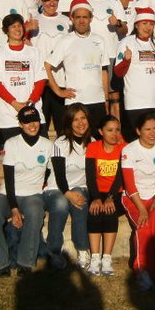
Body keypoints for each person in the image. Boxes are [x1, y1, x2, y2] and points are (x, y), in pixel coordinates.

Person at [0, 106, 50, 276]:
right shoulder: (11, 143)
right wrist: (14, 208)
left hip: (33, 194)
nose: (32, 125)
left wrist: (44, 184)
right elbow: (9, 179)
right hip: (9, 194)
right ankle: (1, 263)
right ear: (20, 124)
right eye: (27, 122)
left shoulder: (48, 145)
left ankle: (25, 262)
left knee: (35, 211)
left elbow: (51, 171)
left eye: (35, 121)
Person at [121, 112, 155, 291]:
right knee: (144, 224)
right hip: (134, 197)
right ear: (138, 131)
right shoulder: (129, 150)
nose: (152, 133)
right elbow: (129, 184)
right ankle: (142, 271)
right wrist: (142, 209)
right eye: (147, 129)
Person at [45, 0, 110, 131]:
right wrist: (59, 91)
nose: (81, 21)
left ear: (91, 18)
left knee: (98, 140)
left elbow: (103, 71)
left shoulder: (100, 40)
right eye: (78, 17)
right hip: (75, 103)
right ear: (72, 19)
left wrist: (106, 99)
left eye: (85, 17)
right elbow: (46, 66)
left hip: (98, 101)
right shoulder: (65, 41)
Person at [42, 103, 93, 270]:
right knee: (61, 204)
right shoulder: (60, 142)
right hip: (56, 188)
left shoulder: (93, 143)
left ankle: (83, 249)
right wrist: (67, 193)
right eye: (75, 119)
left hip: (80, 187)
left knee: (80, 199)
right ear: (69, 122)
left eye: (83, 118)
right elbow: (59, 175)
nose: (80, 123)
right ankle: (54, 251)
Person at [0, 14, 47, 145]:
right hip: (8, 118)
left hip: (33, 114)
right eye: (13, 26)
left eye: (19, 26)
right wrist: (15, 103)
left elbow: (41, 81)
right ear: (6, 31)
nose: (17, 29)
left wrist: (30, 102)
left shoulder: (34, 52)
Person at [114, 7, 155, 142]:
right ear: (136, 25)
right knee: (136, 142)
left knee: (152, 142)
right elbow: (118, 72)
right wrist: (126, 60)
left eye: (151, 24)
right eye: (144, 23)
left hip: (153, 103)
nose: (148, 27)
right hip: (135, 104)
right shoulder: (126, 42)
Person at [85, 115, 126, 276]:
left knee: (110, 211)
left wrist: (110, 196)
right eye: (110, 130)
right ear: (101, 131)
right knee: (94, 211)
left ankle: (107, 258)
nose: (114, 134)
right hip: (97, 191)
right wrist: (96, 198)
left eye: (117, 130)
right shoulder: (93, 147)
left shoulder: (124, 148)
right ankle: (95, 257)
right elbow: (90, 176)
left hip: (117, 192)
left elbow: (120, 176)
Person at [30, 0, 71, 135]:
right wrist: (27, 30)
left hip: (61, 81)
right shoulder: (33, 20)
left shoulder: (67, 21)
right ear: (41, 0)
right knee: (41, 127)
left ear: (59, 0)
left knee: (63, 128)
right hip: (40, 81)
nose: (51, 3)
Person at [88, 0, 128, 117]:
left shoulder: (115, 3)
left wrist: (118, 23)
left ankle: (115, 128)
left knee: (114, 96)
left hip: (111, 54)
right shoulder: (84, 3)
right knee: (94, 95)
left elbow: (124, 30)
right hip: (90, 57)